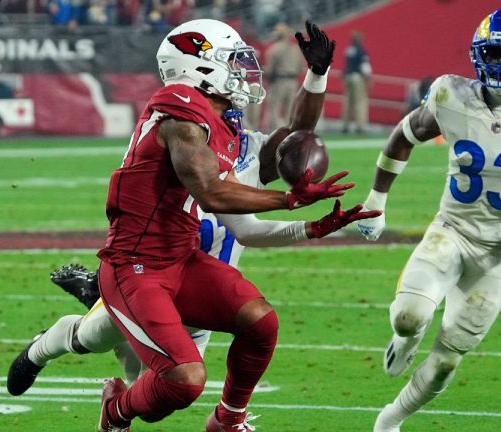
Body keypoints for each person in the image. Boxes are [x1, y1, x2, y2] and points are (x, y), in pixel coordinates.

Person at [6, 58, 379, 397]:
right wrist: (296, 211)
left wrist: (317, 74)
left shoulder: (246, 153)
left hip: (201, 284)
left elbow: (296, 139)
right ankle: (50, 345)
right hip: (150, 273)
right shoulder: (177, 138)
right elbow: (203, 193)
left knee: (155, 385)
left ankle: (100, 307)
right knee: (99, 343)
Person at [91, 19, 369, 432]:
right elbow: (211, 193)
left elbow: (294, 139)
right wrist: (289, 201)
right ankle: (116, 409)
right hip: (135, 266)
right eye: (231, 61)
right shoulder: (180, 116)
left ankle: (228, 420)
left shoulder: (214, 123)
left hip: (180, 259)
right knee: (183, 381)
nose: (240, 72)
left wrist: (317, 74)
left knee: (260, 322)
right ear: (199, 67)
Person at [354, 8, 501, 431]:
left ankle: (389, 420)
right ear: (478, 54)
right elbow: (403, 136)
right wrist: (376, 199)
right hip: (451, 231)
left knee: (447, 360)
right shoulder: (451, 96)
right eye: (494, 53)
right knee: (408, 317)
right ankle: (405, 339)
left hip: (498, 254)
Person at [264, 22, 307, 130]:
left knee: (274, 107)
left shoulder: (274, 49)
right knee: (290, 109)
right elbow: (300, 68)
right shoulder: (296, 49)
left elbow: (270, 69)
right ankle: (288, 131)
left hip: (279, 81)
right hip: (293, 81)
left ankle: (275, 131)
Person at [340, 30, 371, 135]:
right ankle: (360, 126)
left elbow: (346, 64)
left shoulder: (348, 50)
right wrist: (368, 78)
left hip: (347, 76)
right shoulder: (361, 51)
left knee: (348, 102)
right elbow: (365, 66)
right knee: (360, 102)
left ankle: (345, 125)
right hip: (357, 78)